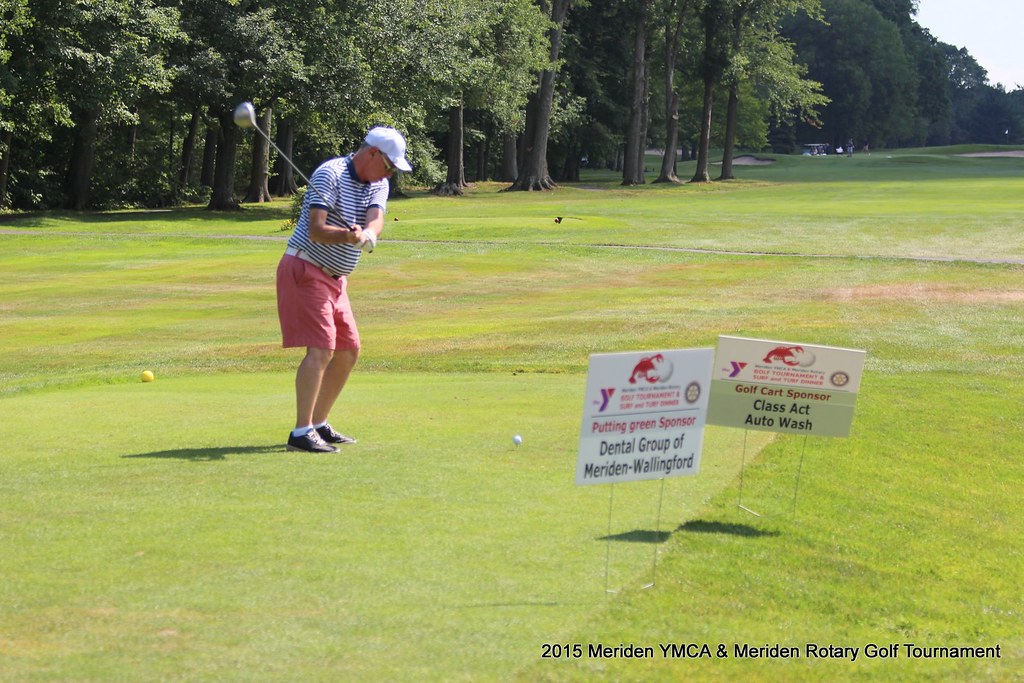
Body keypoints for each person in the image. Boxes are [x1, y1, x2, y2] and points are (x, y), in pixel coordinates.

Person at [276, 127, 412, 453]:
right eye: (390, 165)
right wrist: (347, 236)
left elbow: (376, 217)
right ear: (372, 154)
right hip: (306, 267)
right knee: (322, 349)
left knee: (349, 350)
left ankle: (319, 424)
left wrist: (369, 234)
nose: (391, 172)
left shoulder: (380, 182)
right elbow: (317, 230)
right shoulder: (330, 174)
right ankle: (301, 431)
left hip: (337, 278)